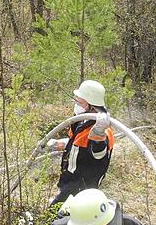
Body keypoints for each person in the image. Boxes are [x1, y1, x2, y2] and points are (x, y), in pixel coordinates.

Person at [46, 80, 115, 208]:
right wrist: (58, 143)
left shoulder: (103, 130)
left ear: (91, 104)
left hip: (82, 189)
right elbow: (76, 143)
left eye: (79, 101)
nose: (76, 104)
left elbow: (99, 154)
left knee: (56, 220)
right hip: (69, 182)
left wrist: (99, 133)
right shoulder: (81, 121)